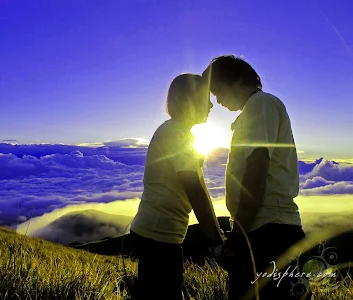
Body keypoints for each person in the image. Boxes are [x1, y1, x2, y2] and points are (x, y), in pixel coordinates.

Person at [202, 55, 312, 300]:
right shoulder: (254, 110)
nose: (217, 100)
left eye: (218, 90)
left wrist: (239, 234)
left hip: (269, 232)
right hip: (267, 229)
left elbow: (256, 167)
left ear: (239, 79)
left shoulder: (261, 105)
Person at [129, 73, 225, 300]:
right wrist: (217, 243)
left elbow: (199, 186)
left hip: (159, 233)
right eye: (205, 98)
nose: (211, 104)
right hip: (158, 236)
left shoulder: (180, 134)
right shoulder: (176, 135)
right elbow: (195, 190)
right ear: (189, 99)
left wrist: (218, 235)